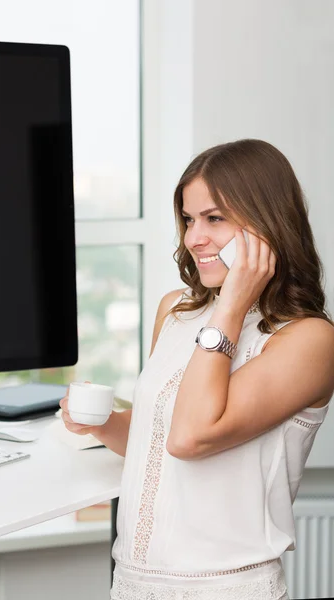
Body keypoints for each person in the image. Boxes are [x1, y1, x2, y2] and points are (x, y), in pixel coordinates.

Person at [60, 139, 334, 600]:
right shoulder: (176, 312)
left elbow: (191, 437)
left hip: (227, 588)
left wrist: (230, 307)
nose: (193, 239)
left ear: (268, 225)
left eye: (214, 218)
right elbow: (160, 437)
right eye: (189, 219)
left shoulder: (309, 341)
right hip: (133, 580)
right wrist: (103, 423)